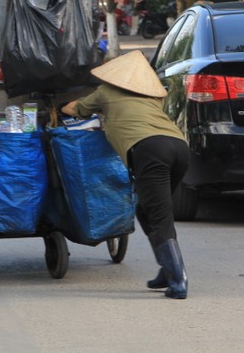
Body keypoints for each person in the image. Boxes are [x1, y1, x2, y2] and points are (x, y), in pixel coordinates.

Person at [61, 50, 190, 299]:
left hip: (151, 150)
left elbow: (75, 109)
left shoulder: (106, 92)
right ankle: (167, 269)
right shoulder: (153, 97)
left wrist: (61, 106)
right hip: (178, 148)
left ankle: (178, 281)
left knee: (159, 215)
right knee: (146, 210)